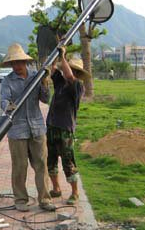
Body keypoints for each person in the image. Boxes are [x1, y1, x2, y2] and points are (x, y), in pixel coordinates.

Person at [0, 43, 56, 212]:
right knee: (19, 166)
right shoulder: (8, 81)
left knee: (41, 165)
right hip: (17, 130)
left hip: (37, 128)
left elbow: (46, 99)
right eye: (14, 63)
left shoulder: (36, 77)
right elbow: (3, 100)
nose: (17, 66)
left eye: (19, 62)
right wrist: (8, 106)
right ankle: (21, 199)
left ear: (25, 62)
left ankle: (45, 199)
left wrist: (45, 83)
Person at [46, 46, 85, 205]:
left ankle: (75, 192)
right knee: (51, 160)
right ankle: (56, 189)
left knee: (68, 162)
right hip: (52, 126)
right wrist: (56, 55)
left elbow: (68, 75)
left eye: (73, 70)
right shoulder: (60, 83)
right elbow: (53, 69)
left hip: (65, 130)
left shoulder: (77, 86)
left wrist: (63, 55)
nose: (70, 72)